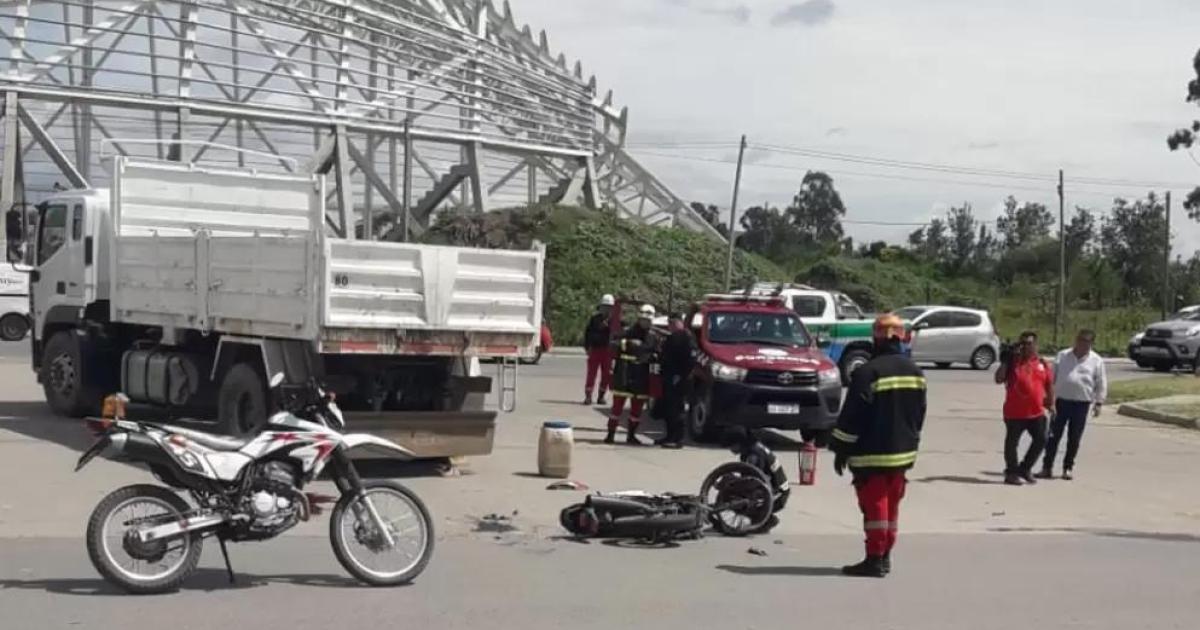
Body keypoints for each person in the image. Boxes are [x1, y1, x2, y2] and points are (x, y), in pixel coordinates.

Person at [829, 313, 927, 578]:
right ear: (902, 339)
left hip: (871, 455)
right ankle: (884, 557)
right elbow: (919, 415)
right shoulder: (916, 372)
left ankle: (874, 559)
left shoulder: (867, 372)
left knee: (875, 510)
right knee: (891, 510)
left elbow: (852, 417)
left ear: (877, 339)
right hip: (902, 454)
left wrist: (840, 448)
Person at [1038, 329, 1107, 481]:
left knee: (1074, 438)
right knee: (1053, 436)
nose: (1083, 344)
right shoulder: (1063, 356)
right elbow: (1051, 378)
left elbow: (1101, 383)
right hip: (1061, 402)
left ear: (1091, 343)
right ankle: (1047, 467)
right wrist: (1048, 398)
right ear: (1076, 340)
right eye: (1081, 340)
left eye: (1087, 342)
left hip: (1081, 404)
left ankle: (1067, 468)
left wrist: (1099, 403)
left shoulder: (1096, 360)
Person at [994, 330, 1053, 486]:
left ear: (1036, 345)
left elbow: (1049, 384)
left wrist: (1051, 403)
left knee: (1041, 439)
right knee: (1012, 443)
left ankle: (1025, 468)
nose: (1026, 347)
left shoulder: (1042, 363)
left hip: (1036, 412)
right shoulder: (1013, 362)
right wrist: (1005, 361)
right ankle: (1011, 473)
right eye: (1023, 344)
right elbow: (998, 379)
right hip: (1015, 412)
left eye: (1029, 343)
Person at [606, 304, 659, 445]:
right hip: (624, 372)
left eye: (648, 320)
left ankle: (631, 435)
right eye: (643, 320)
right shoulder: (627, 332)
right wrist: (627, 343)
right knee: (617, 407)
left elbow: (656, 353)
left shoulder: (653, 336)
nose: (645, 322)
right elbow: (612, 344)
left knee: (637, 409)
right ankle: (610, 434)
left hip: (642, 375)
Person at [654, 313, 695, 449]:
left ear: (680, 322)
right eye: (669, 323)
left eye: (673, 322)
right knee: (668, 410)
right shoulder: (671, 337)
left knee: (677, 410)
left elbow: (690, 360)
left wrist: (680, 375)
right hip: (668, 377)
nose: (670, 325)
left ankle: (678, 439)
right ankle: (669, 436)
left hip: (679, 380)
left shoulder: (686, 337)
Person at [583, 295, 616, 405]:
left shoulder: (614, 321)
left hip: (608, 350)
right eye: (605, 306)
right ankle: (588, 396)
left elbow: (619, 333)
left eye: (609, 307)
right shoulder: (594, 319)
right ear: (601, 307)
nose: (607, 309)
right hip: (595, 349)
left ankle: (601, 396)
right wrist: (587, 347)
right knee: (591, 374)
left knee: (606, 374)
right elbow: (588, 333)